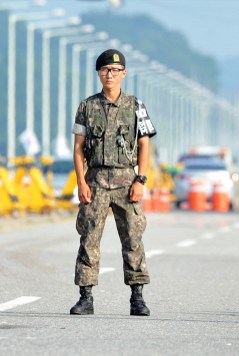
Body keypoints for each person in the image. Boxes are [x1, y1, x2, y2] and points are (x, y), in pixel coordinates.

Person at [70, 49, 157, 316]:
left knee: (133, 237)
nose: (110, 74)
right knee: (89, 237)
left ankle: (137, 297)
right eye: (105, 70)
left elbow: (144, 145)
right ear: (99, 74)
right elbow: (77, 147)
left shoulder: (136, 106)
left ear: (124, 74)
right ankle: (86, 297)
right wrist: (81, 183)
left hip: (125, 180)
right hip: (95, 179)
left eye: (115, 70)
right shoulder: (87, 106)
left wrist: (141, 179)